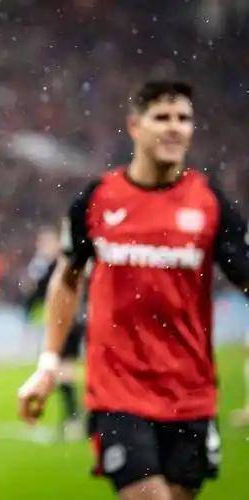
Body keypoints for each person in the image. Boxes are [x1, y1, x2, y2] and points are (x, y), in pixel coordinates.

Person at [17, 81, 249, 500]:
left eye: (183, 118)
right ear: (135, 126)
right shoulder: (98, 198)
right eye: (162, 117)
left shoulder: (209, 202)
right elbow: (67, 277)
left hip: (190, 395)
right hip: (118, 395)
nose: (174, 127)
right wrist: (48, 363)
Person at [23, 226, 85, 440]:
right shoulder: (53, 265)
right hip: (67, 322)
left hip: (66, 323)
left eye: (47, 242)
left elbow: (40, 292)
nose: (44, 247)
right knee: (64, 370)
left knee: (62, 370)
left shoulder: (57, 266)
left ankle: (74, 418)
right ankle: (74, 419)